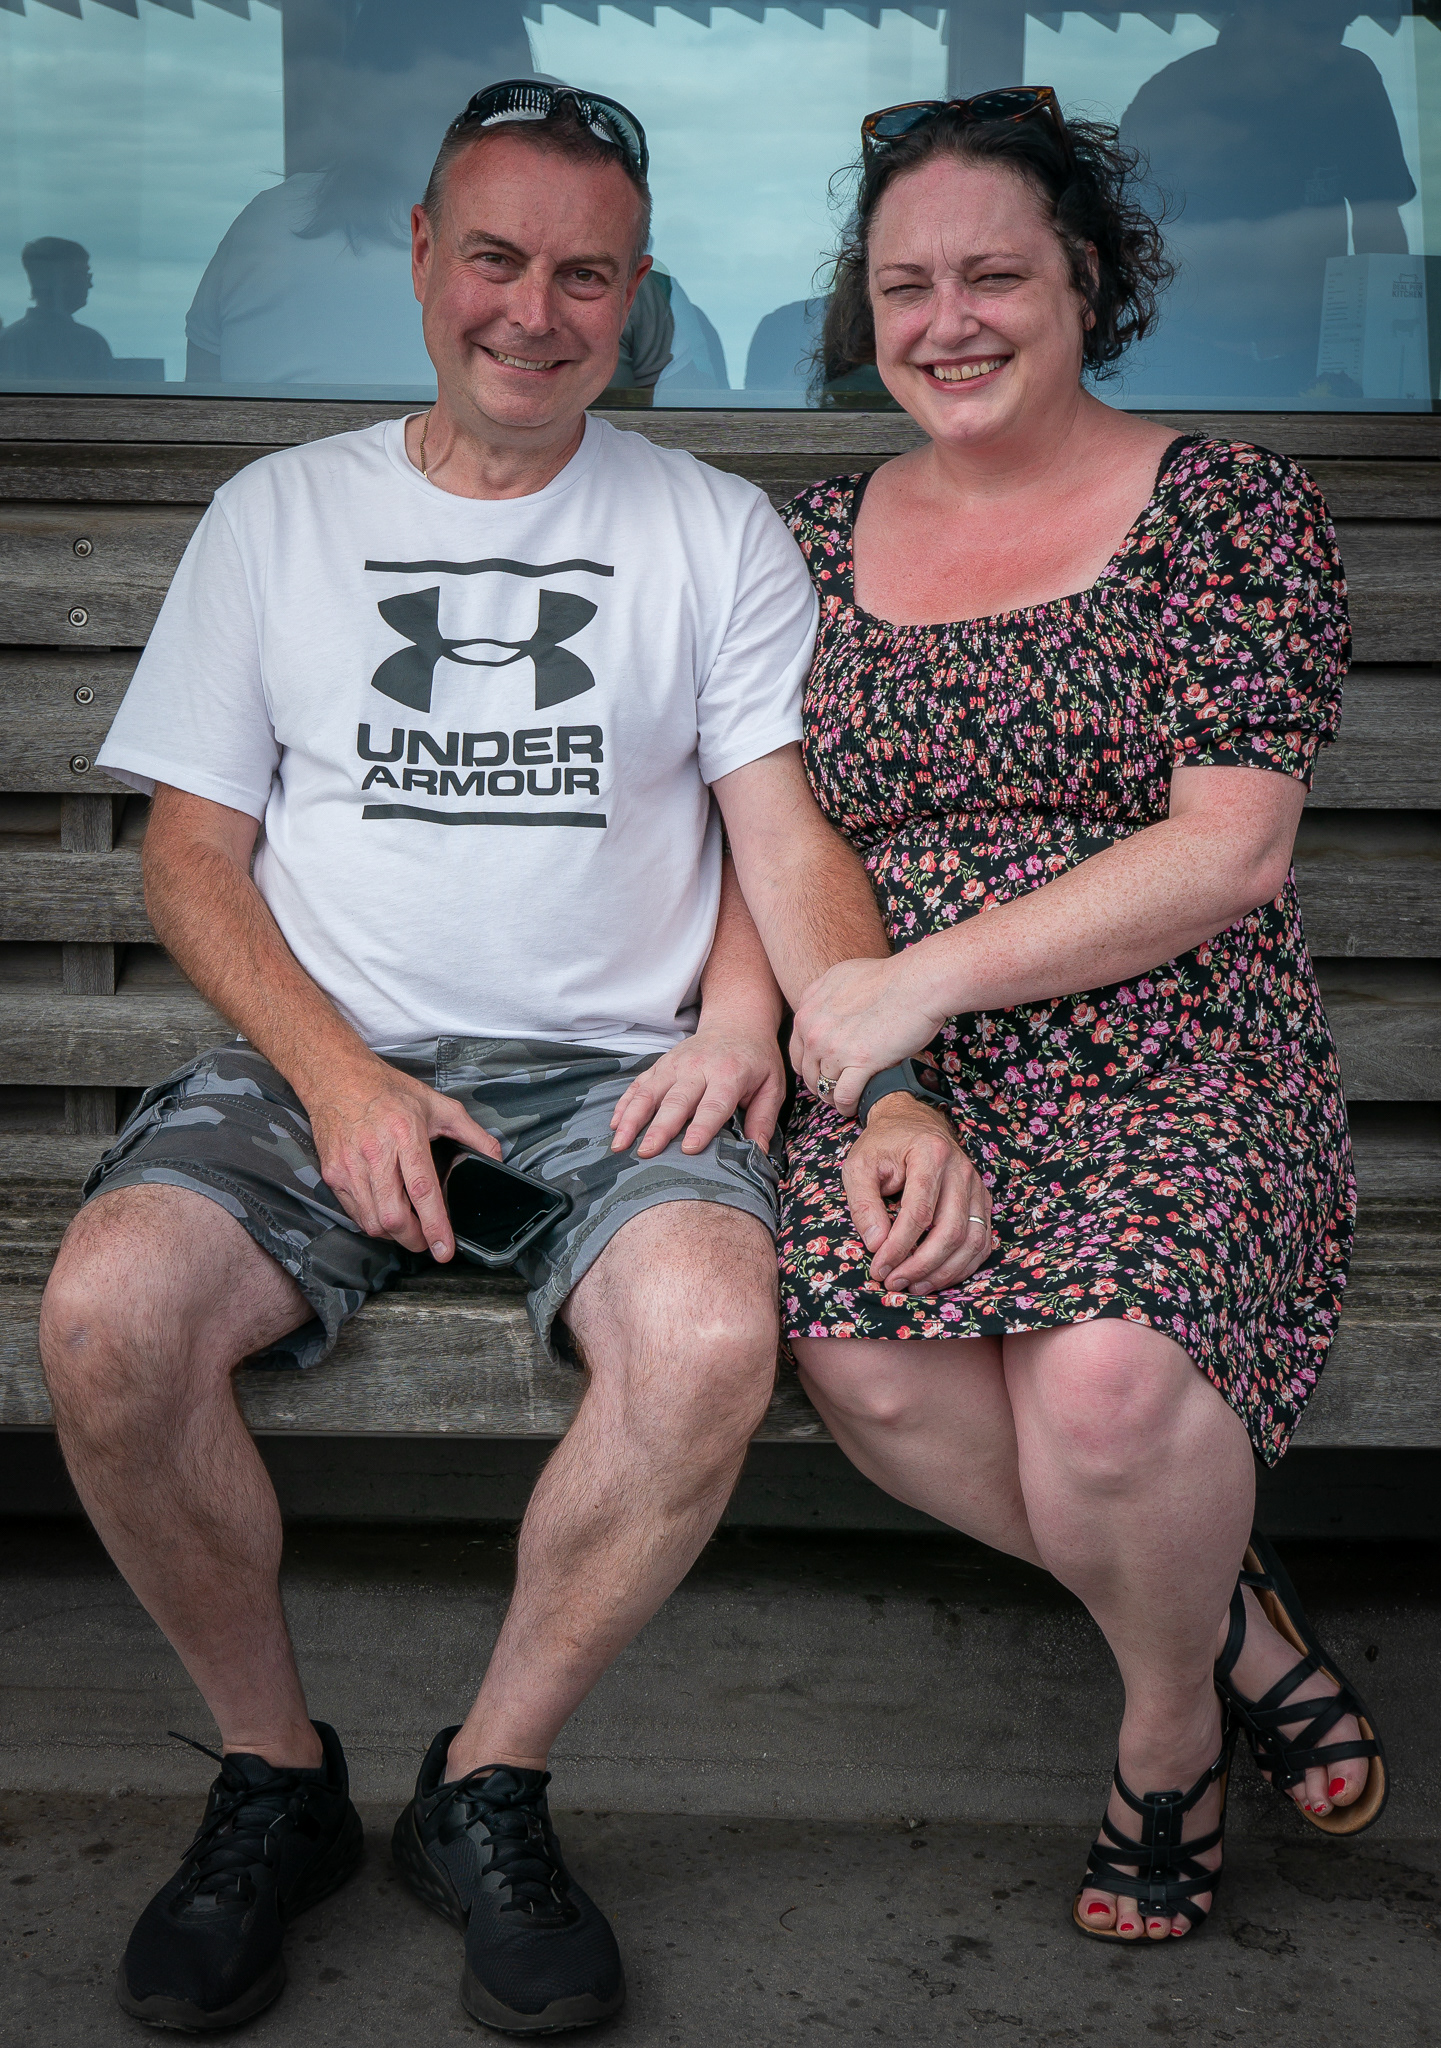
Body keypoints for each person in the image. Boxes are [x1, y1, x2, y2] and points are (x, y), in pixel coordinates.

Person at [38, 81, 968, 2034]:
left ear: (634, 301)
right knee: (108, 1323)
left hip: (607, 1078)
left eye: (585, 276)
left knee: (714, 1335)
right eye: (495, 257)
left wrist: (764, 1026)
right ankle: (274, 1777)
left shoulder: (708, 527)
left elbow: (776, 827)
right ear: (420, 256)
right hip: (324, 1058)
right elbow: (192, 854)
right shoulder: (279, 517)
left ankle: (490, 1782)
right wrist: (343, 1076)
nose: (533, 311)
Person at [774, 88, 1387, 1945]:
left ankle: (1166, 1724)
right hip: (897, 1077)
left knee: (1103, 1384)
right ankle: (1237, 1622)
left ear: (1087, 281)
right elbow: (779, 836)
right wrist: (885, 1070)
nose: (944, 320)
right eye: (902, 285)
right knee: (873, 1353)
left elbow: (1227, 850)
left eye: (991, 275)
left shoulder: (1228, 505)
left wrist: (928, 977)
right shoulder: (798, 545)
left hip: (1176, 1048)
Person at [1119, 0, 1413, 398]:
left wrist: (1389, 357)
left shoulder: (1352, 79)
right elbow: (1130, 247)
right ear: (1254, 10)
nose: (1328, 49)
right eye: (1311, 30)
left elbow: (1379, 227)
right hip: (1190, 366)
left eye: (1340, 29)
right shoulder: (1169, 99)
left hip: (1324, 362)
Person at [0, 237, 113, 379]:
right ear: (58, 279)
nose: (89, 285)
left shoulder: (9, 340)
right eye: (83, 274)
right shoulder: (90, 343)